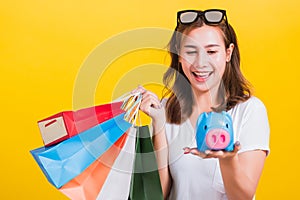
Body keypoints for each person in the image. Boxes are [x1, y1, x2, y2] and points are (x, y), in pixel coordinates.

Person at [133, 9, 270, 200]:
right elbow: (159, 195)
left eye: (212, 51)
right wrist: (158, 124)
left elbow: (242, 197)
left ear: (228, 53)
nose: (200, 62)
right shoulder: (168, 110)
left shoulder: (249, 111)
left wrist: (227, 159)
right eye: (190, 52)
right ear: (179, 56)